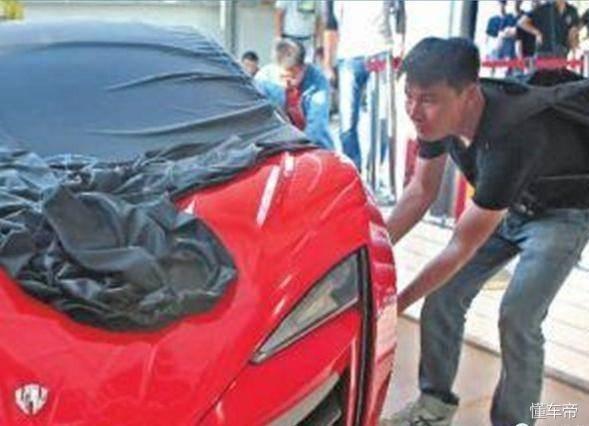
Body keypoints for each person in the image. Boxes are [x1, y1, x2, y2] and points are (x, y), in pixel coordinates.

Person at [381, 37, 589, 426]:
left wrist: (395, 308)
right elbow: (420, 191)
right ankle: (434, 407)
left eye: (427, 99)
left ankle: (520, 419)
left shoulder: (512, 137)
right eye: (409, 96)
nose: (414, 110)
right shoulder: (438, 118)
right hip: (508, 206)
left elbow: (458, 248)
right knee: (443, 295)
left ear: (469, 95)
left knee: (519, 315)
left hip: (563, 213)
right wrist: (369, 251)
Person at [323, 0, 406, 173]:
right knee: (347, 123)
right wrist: (327, 63)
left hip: (381, 51)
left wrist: (400, 45)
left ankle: (374, 169)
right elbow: (330, 24)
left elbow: (400, 12)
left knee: (383, 120)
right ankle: (355, 170)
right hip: (349, 56)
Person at [256, 38, 334, 150]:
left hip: (313, 144)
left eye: (292, 77)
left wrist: (301, 148)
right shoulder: (263, 79)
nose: (287, 83)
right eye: (282, 77)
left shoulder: (318, 80)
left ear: (304, 67)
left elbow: (317, 125)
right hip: (276, 144)